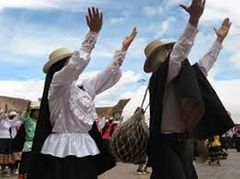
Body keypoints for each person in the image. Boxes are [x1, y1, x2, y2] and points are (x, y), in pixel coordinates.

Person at [27, 7, 137, 179]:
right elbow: (76, 65)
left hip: (84, 148)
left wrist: (123, 49)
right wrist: (92, 34)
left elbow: (108, 74)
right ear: (60, 67)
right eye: (69, 61)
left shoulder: (84, 89)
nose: (73, 62)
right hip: (61, 150)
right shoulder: (57, 86)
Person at [143, 0, 233, 178]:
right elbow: (180, 52)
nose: (170, 52)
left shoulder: (180, 75)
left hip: (183, 141)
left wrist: (219, 41)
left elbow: (204, 65)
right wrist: (193, 21)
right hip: (164, 143)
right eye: (167, 50)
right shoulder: (161, 74)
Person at [15, 101, 40, 179]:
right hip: (28, 144)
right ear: (32, 112)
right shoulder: (28, 120)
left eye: (39, 112)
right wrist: (28, 110)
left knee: (34, 162)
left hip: (37, 145)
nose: (37, 114)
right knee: (26, 162)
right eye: (36, 112)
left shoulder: (39, 122)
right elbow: (23, 117)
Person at [0, 105, 21, 177]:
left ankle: (6, 169)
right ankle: (3, 169)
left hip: (8, 138)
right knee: (2, 153)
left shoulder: (8, 122)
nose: (6, 116)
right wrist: (5, 111)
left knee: (7, 153)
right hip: (1, 138)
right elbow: (2, 116)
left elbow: (16, 120)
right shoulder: (0, 121)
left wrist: (19, 114)